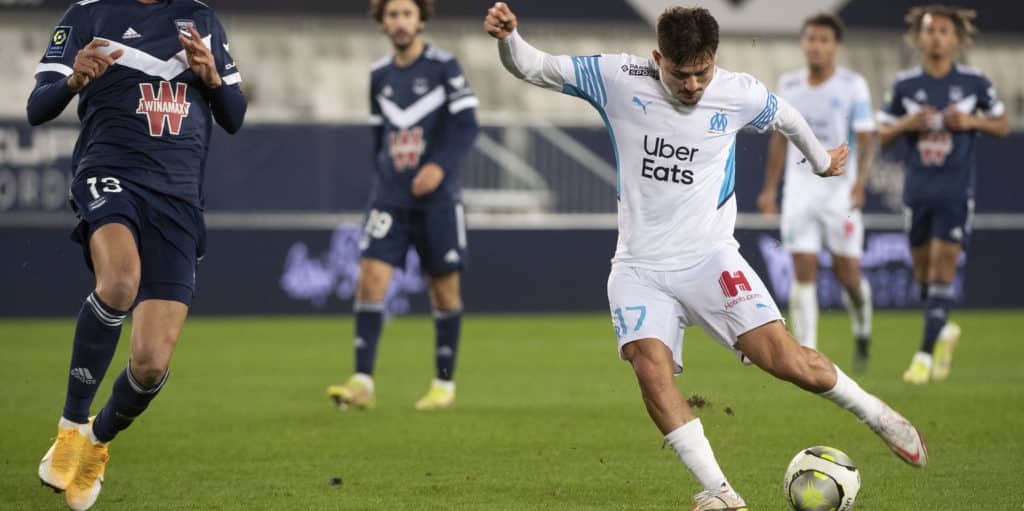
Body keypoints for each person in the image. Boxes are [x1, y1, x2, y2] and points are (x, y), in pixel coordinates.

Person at [485, 3, 927, 508]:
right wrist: (509, 38)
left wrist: (823, 161)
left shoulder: (737, 92)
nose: (693, 85)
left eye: (702, 72)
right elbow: (533, 66)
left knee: (787, 362)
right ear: (658, 59)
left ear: (714, 59)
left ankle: (876, 414)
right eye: (680, 74)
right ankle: (721, 493)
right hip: (639, 268)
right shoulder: (616, 78)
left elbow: (786, 115)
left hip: (711, 260)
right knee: (649, 369)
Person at [28, 1, 245, 509]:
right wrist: (73, 82)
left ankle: (96, 444)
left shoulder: (201, 18)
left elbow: (233, 116)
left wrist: (212, 77)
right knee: (120, 282)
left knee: (149, 365)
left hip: (180, 197)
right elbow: (38, 107)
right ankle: (70, 425)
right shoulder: (89, 14)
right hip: (111, 170)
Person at [327, 0, 479, 411]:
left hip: (438, 201)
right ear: (382, 23)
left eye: (406, 14)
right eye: (391, 15)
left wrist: (437, 167)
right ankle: (362, 382)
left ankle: (443, 386)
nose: (399, 22)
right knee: (370, 280)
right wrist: (383, 181)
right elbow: (380, 136)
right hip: (390, 199)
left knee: (444, 291)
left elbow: (467, 125)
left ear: (421, 19)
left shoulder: (445, 66)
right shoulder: (379, 75)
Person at [877, 5, 1008, 384]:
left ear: (957, 39)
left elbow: (1000, 124)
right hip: (918, 191)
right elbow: (882, 135)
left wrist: (970, 121)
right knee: (923, 275)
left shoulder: (974, 83)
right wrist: (907, 123)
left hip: (955, 191)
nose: (936, 37)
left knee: (942, 269)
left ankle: (922, 357)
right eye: (930, 30)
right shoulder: (904, 85)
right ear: (919, 37)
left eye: (944, 31)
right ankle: (944, 329)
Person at [756, 13, 875, 371]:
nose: (816, 46)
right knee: (802, 269)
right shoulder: (789, 85)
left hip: (839, 195)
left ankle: (863, 327)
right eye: (811, 39)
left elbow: (867, 140)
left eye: (824, 40)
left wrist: (859, 183)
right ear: (804, 43)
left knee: (848, 274)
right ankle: (807, 353)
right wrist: (769, 189)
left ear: (835, 46)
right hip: (800, 193)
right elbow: (779, 140)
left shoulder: (853, 85)